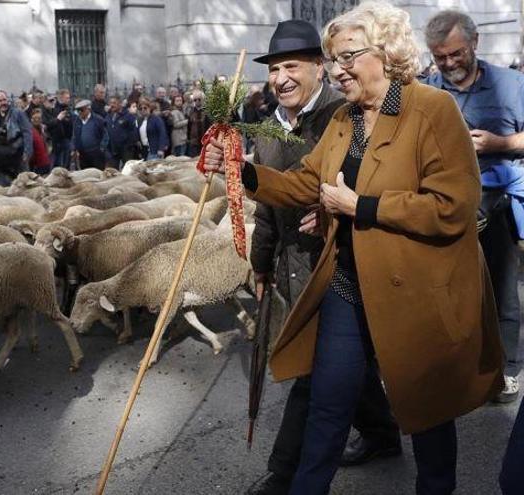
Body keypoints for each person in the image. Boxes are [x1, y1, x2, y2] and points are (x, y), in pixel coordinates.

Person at [203, 3, 504, 494]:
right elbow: (304, 181)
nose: (337, 69)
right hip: (348, 282)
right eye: (333, 59)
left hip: (417, 291)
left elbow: (453, 205)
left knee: (427, 413)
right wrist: (241, 172)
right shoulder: (345, 119)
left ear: (386, 53)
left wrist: (362, 206)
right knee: (328, 401)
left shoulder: (432, 110)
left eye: (347, 57)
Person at [243, 19, 399, 495]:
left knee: (313, 372)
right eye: (273, 69)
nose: (280, 78)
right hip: (291, 262)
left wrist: (328, 207)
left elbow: (374, 182)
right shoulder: (269, 128)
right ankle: (382, 433)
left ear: (318, 69)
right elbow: (269, 203)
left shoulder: (343, 112)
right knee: (343, 365)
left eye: (292, 66)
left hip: (338, 261)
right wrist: (262, 262)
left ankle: (285, 473)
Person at [423, 10, 524, 406]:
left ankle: (507, 370)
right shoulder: (427, 92)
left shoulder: (512, 84)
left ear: (475, 42)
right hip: (442, 206)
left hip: (495, 205)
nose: (448, 63)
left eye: (455, 53)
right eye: (440, 57)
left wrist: (499, 145)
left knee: (501, 291)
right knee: (444, 293)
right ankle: (455, 367)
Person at [0, 89, 33, 185]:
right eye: (0, 101)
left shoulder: (18, 113)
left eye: (4, 100)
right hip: (2, 161)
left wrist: (27, 152)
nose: (3, 103)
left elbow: (27, 132)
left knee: (24, 187)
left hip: (19, 157)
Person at [71, 99, 106, 170]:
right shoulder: (77, 121)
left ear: (88, 109)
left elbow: (105, 135)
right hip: (83, 154)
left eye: (82, 110)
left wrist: (102, 148)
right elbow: (75, 136)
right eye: (78, 111)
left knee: (98, 174)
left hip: (96, 153)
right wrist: (73, 149)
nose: (80, 112)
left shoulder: (98, 120)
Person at [105, 96, 139, 168]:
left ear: (120, 104)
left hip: (126, 150)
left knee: (127, 170)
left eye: (114, 103)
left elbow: (134, 132)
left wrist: (129, 145)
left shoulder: (128, 115)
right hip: (113, 149)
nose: (112, 105)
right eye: (110, 103)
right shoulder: (108, 116)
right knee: (113, 172)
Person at [46, 88, 74, 169]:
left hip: (67, 139)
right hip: (58, 141)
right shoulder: (54, 110)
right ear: (61, 98)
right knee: (59, 166)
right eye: (67, 98)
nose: (69, 100)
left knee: (66, 165)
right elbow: (49, 125)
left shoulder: (68, 108)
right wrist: (58, 119)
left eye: (69, 98)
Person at [187, 89, 210, 156]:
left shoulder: (207, 112)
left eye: (199, 99)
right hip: (194, 142)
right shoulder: (191, 112)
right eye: (195, 100)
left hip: (205, 141)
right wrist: (189, 139)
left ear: (203, 99)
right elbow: (189, 126)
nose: (197, 101)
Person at [29, 107, 51, 174]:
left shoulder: (42, 130)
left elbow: (47, 143)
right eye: (35, 118)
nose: (37, 120)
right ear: (31, 119)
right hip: (37, 166)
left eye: (39, 118)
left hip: (46, 162)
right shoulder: (30, 132)